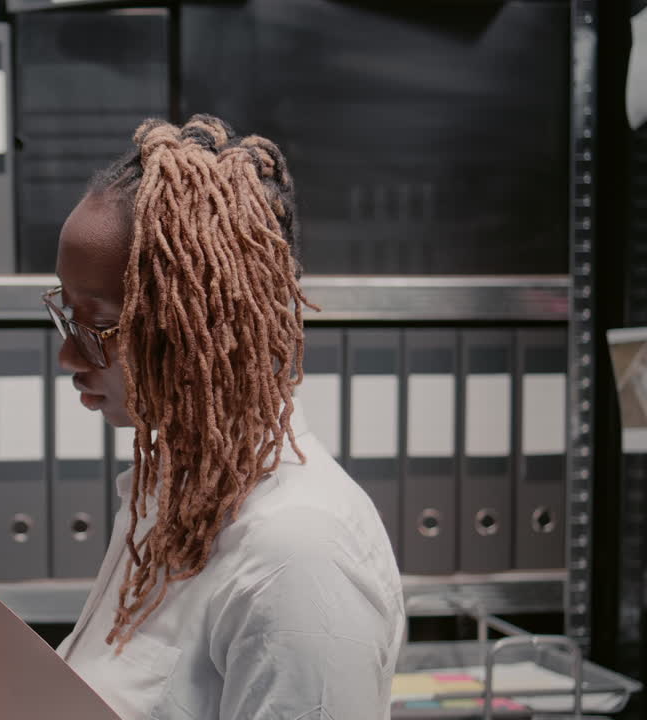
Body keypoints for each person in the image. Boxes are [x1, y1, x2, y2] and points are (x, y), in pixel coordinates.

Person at [45, 115, 405, 719]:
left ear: (203, 332)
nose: (66, 355)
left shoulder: (299, 555)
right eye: (64, 314)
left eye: (99, 324)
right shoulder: (170, 496)